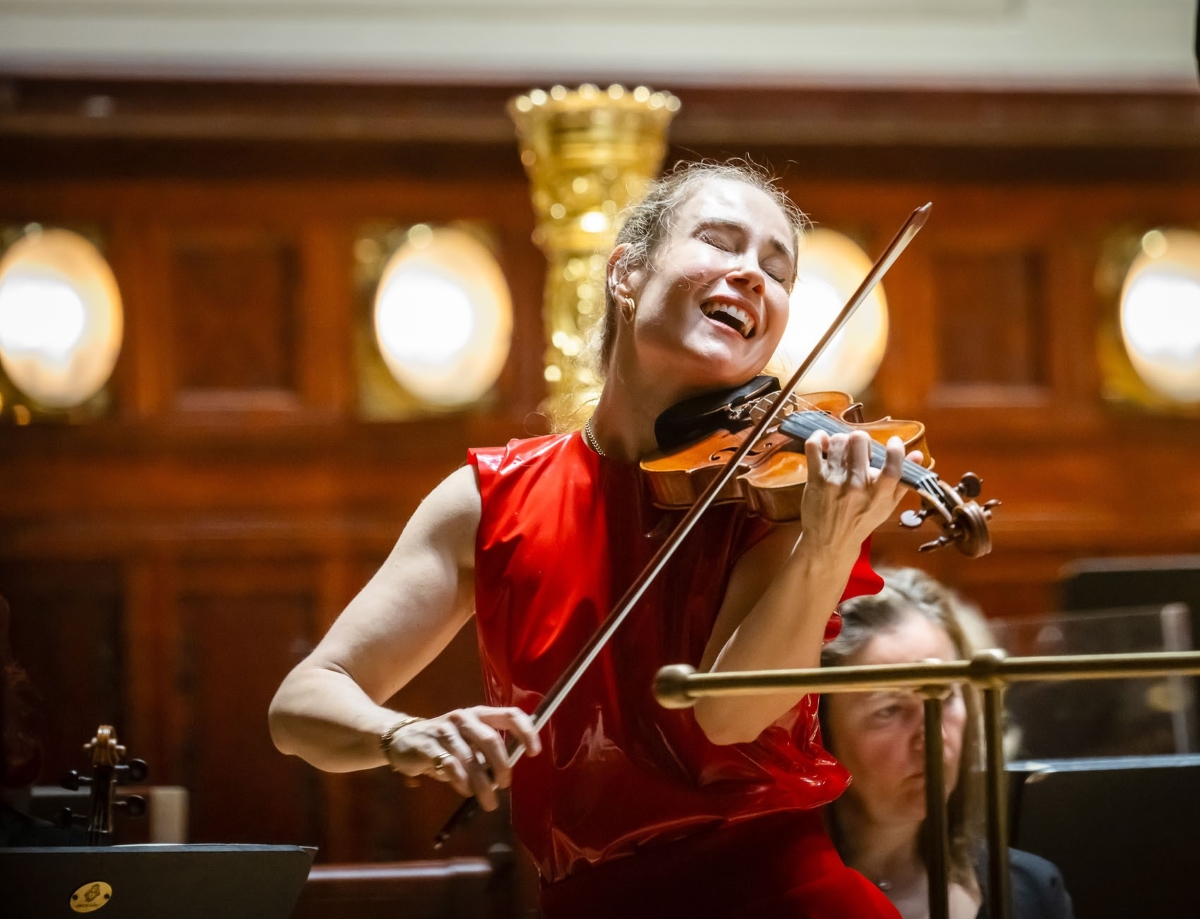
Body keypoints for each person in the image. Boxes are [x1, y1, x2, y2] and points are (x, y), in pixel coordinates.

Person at [269, 160, 920, 918]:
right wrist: (403, 735)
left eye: (777, 270)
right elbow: (301, 704)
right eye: (719, 241)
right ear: (625, 274)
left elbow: (730, 714)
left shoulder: (773, 493)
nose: (751, 276)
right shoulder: (489, 501)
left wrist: (828, 545)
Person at [820, 567, 1074, 919]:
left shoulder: (1029, 891)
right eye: (889, 710)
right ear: (817, 731)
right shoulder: (761, 899)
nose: (934, 737)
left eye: (947, 696)